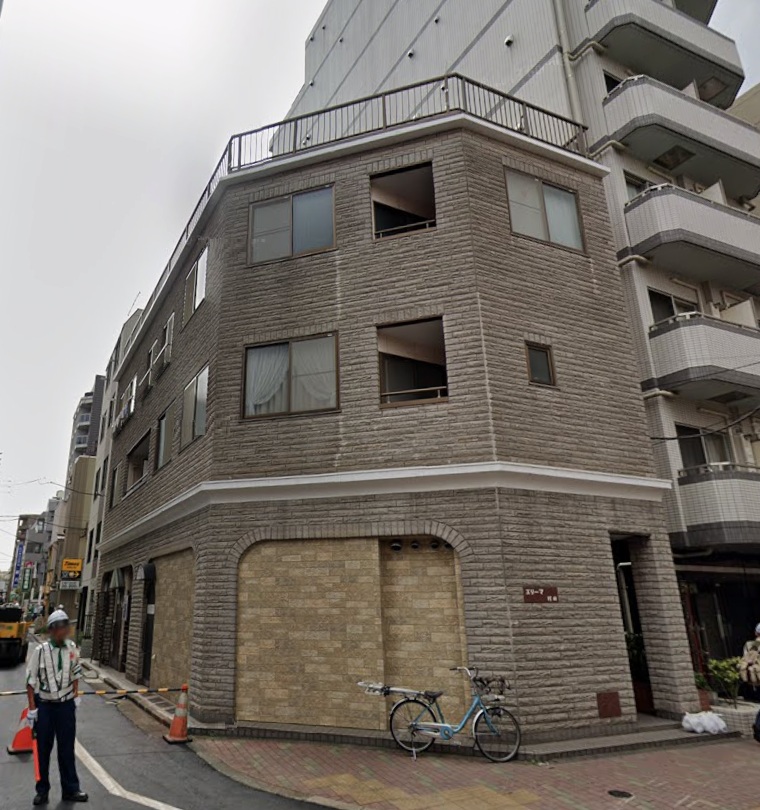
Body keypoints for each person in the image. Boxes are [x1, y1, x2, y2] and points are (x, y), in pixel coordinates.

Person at [25, 609, 88, 805]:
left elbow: (76, 673)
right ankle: (42, 790)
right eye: (62, 628)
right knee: (43, 750)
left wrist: (75, 696)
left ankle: (71, 789)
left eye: (66, 627)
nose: (65, 631)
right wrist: (32, 709)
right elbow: (30, 681)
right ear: (52, 630)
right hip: (45, 706)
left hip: (66, 706)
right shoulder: (40, 651)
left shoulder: (71, 648)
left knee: (66, 749)